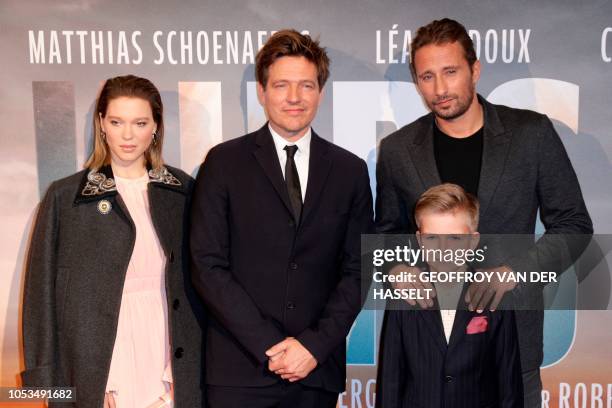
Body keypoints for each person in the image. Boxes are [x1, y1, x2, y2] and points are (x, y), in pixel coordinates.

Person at [375, 18, 593, 408]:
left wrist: (517, 273)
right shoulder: (397, 149)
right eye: (427, 76)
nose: (439, 89)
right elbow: (386, 232)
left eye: (450, 72)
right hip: (426, 353)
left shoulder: (532, 133)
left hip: (512, 345)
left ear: (474, 70)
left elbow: (574, 226)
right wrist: (396, 270)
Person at [190, 29, 374, 407]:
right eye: (281, 85)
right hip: (239, 371)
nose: (294, 98)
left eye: (306, 85)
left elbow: (360, 269)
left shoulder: (349, 171)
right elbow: (207, 265)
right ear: (261, 91)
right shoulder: (223, 163)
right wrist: (269, 346)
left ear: (320, 92)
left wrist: (313, 346)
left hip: (314, 372)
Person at [21, 75, 205, 408]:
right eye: (117, 121)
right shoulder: (67, 198)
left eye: (140, 122)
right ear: (102, 124)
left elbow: (203, 285)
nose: (128, 134)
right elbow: (40, 293)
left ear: (156, 128)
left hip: (169, 353)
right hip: (97, 363)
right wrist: (45, 378)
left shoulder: (183, 192)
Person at [376, 183, 523, 408]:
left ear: (473, 241)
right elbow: (390, 381)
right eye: (432, 238)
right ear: (419, 240)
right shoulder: (403, 299)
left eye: (454, 238)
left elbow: (508, 384)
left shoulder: (495, 297)